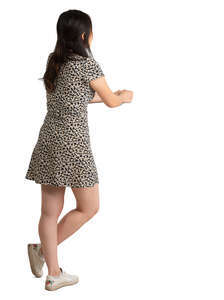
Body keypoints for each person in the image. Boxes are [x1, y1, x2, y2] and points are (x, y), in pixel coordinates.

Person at [25, 9, 133, 291]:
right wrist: (123, 97)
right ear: (85, 36)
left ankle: (52, 270)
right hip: (73, 146)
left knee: (49, 212)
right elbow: (110, 100)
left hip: (49, 141)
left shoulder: (54, 62)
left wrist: (108, 98)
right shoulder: (87, 65)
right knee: (90, 207)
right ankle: (43, 255)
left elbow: (73, 97)